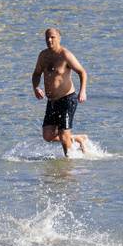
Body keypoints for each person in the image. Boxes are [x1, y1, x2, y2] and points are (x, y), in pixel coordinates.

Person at [31, 28, 89, 157]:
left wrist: (82, 91)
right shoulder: (43, 56)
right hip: (52, 101)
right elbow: (36, 74)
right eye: (47, 37)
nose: (49, 40)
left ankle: (68, 163)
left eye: (52, 37)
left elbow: (82, 72)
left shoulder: (65, 55)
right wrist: (36, 87)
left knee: (63, 136)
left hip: (67, 99)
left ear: (59, 38)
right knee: (48, 136)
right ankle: (78, 138)